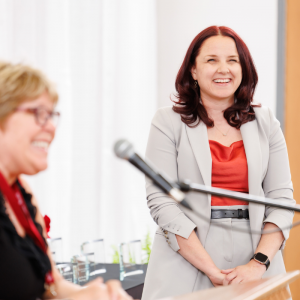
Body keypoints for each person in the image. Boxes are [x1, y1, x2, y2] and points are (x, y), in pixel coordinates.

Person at [142, 26, 295, 300]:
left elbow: (281, 198)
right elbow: (161, 201)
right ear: (193, 70)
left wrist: (257, 263)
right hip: (187, 256)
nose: (223, 69)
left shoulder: (266, 122)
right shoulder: (167, 121)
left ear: (243, 69)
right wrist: (210, 269)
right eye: (211, 60)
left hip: (256, 258)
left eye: (232, 60)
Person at [0, 61, 132, 300]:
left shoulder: (20, 193)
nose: (50, 127)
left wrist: (92, 295)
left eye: (51, 115)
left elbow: (52, 287)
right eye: (38, 114)